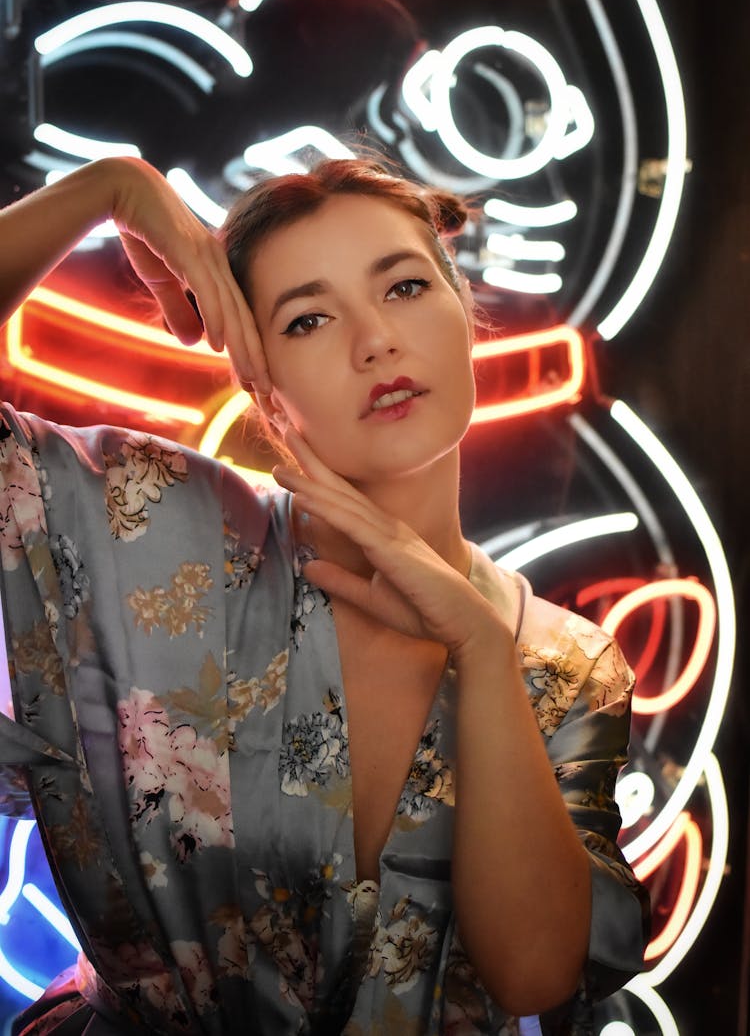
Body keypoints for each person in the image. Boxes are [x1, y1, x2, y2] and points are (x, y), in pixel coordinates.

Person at [0, 156, 649, 1035]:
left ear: (467, 320)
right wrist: (105, 188)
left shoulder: (566, 663)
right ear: (259, 385)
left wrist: (483, 652)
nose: (375, 339)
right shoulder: (145, 526)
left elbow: (534, 972)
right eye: (307, 318)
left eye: (407, 287)